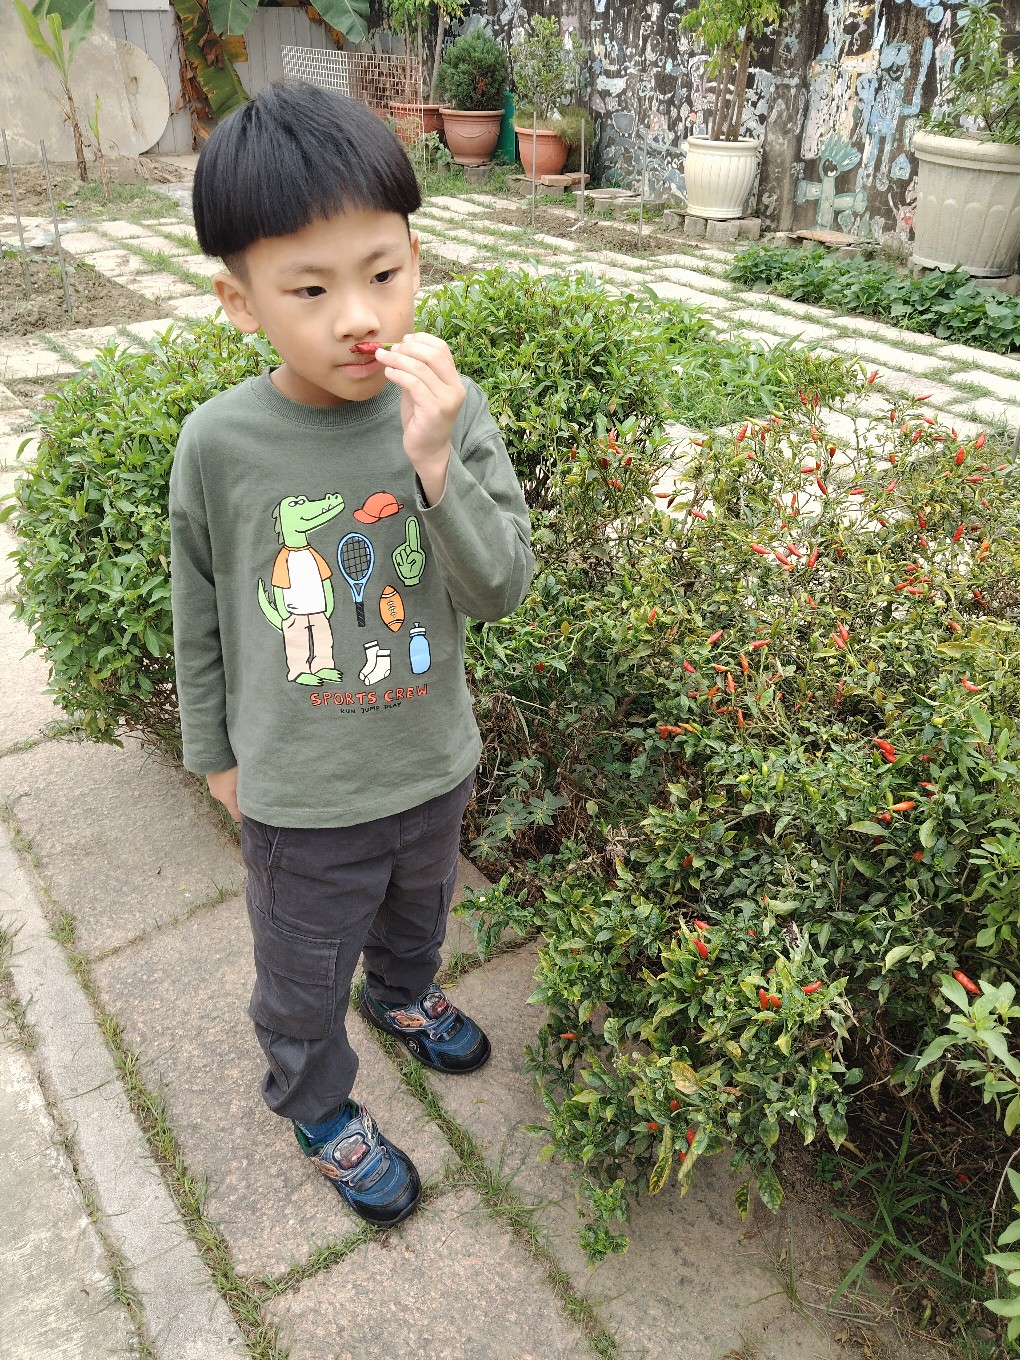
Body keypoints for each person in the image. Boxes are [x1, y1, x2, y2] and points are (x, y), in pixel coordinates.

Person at [169, 81, 534, 1229]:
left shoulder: (447, 412)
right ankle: (317, 1101)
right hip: (302, 797)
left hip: (431, 764)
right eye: (311, 289)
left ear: (418, 257)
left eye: (384, 272)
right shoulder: (221, 445)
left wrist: (433, 464)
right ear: (241, 301)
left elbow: (501, 586)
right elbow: (200, 611)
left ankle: (406, 996)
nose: (359, 317)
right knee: (301, 972)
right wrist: (214, 757)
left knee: (421, 915)